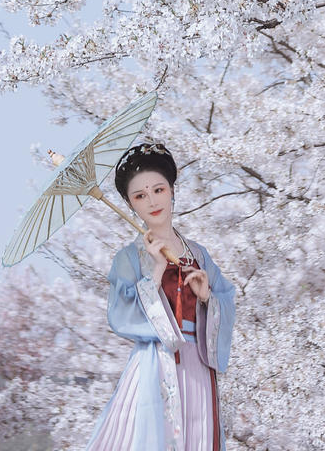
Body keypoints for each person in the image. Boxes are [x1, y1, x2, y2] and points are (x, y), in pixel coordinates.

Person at [84, 140, 235, 451]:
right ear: (130, 204)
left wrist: (207, 297)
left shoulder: (200, 255)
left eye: (158, 190)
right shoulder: (127, 258)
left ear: (172, 190)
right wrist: (155, 270)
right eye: (140, 195)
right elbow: (120, 315)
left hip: (199, 364)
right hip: (155, 363)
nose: (151, 201)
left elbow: (226, 300)